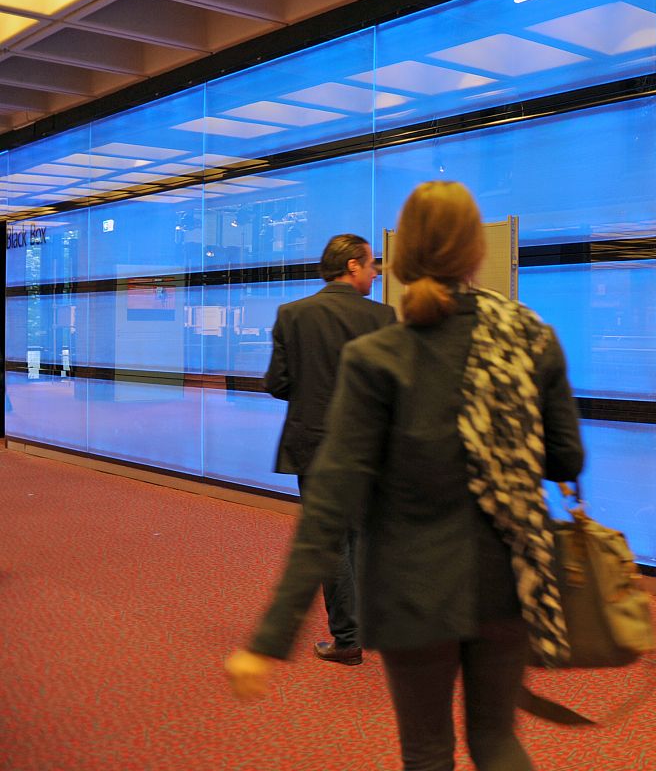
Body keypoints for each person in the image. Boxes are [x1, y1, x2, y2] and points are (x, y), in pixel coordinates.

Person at [227, 181, 585, 771]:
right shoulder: (530, 336)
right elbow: (565, 458)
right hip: (507, 574)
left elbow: (329, 506)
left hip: (412, 588)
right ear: (476, 252)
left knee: (426, 751)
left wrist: (271, 636)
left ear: (403, 257)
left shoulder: (380, 355)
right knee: (496, 740)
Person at [264, 233, 395, 664]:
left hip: (314, 443)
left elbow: (277, 383)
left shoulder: (293, 315)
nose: (375, 273)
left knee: (333, 542)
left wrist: (312, 390)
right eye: (372, 265)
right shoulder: (383, 318)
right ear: (352, 265)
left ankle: (348, 638)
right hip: (368, 445)